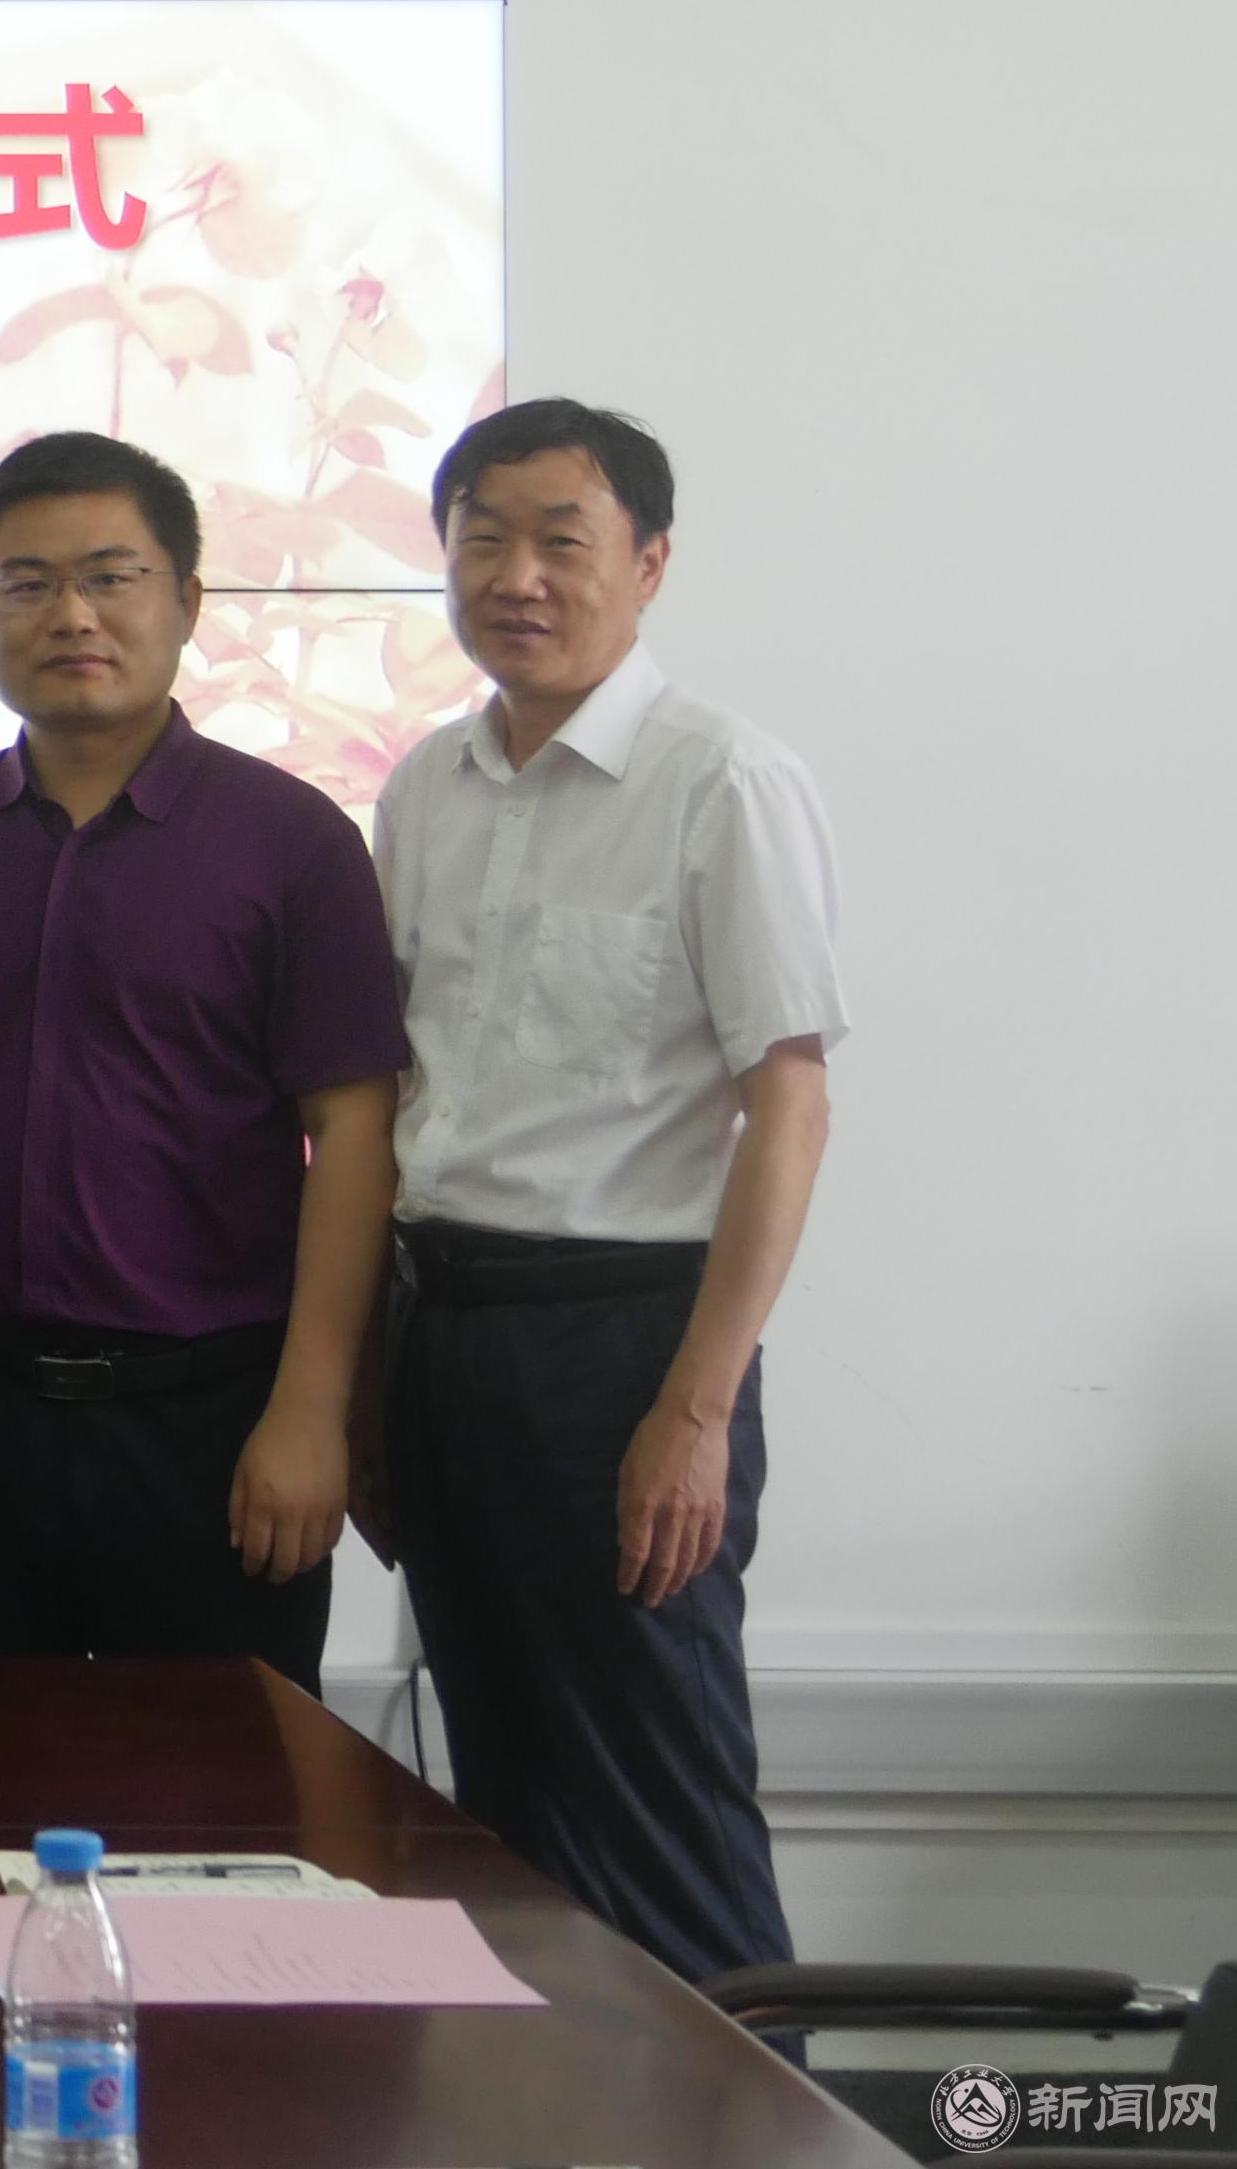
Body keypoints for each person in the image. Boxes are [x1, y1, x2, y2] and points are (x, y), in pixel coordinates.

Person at [369, 398, 837, 1983]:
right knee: (505, 1812)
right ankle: (552, 2109)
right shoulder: (424, 787)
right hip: (443, 1330)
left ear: (648, 564)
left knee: (658, 1800)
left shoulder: (723, 781)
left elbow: (789, 1104)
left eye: (560, 541)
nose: (518, 576)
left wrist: (695, 1411)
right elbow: (402, 1098)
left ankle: (759, 2104)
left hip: (624, 1346)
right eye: (481, 540)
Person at [0, 429, 406, 1692]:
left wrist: (312, 1411)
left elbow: (355, 1131)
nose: (71, 614)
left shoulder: (293, 842)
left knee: (220, 1792)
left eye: (110, 577)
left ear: (186, 600)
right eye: (26, 583)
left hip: (213, 1421)